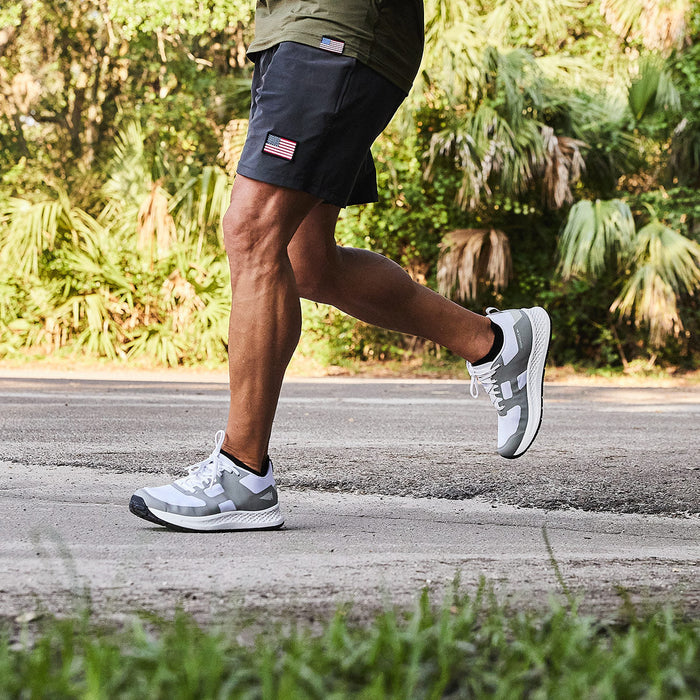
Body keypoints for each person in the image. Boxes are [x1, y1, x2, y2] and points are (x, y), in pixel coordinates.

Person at [128, 0, 551, 532]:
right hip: (292, 36)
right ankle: (494, 341)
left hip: (334, 34)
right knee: (307, 265)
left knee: (252, 232)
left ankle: (242, 473)